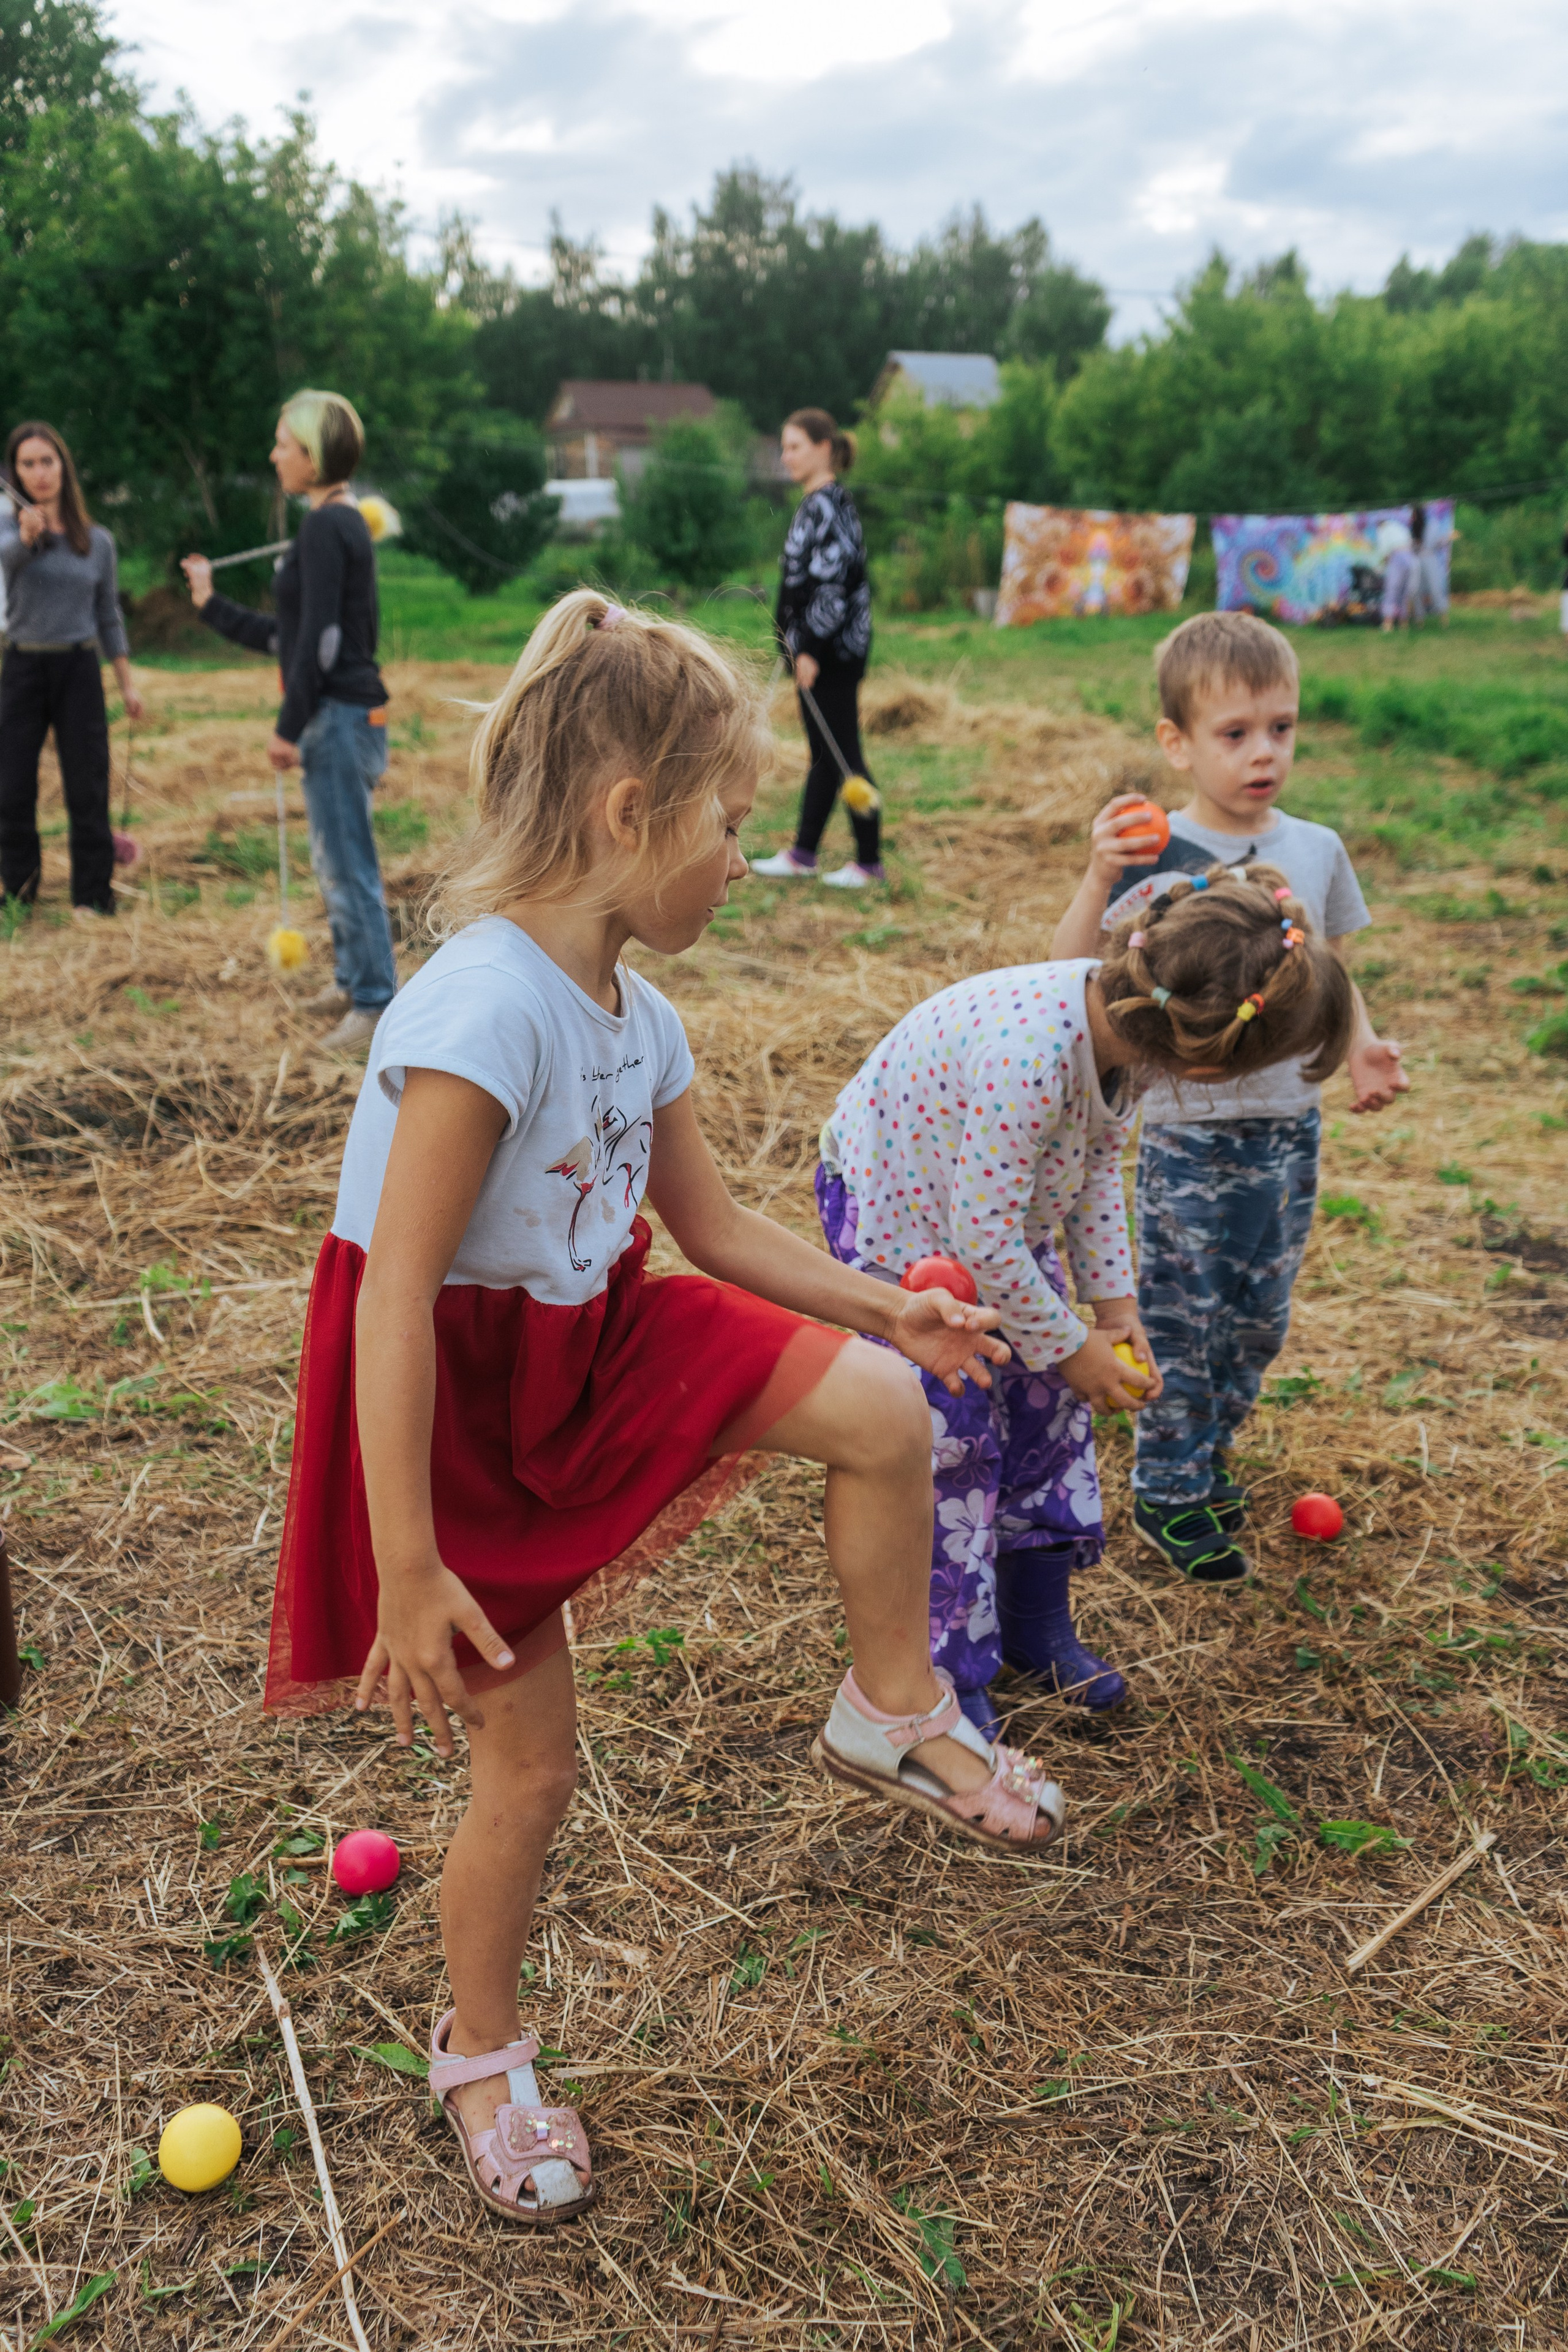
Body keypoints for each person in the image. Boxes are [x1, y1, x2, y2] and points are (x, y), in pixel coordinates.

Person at [266, 589, 1067, 2225]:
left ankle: (892, 1707)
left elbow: (711, 1231)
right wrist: (407, 1563)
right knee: (533, 1772)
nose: (733, 858)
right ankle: (481, 2054)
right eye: (720, 823)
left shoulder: (645, 1012)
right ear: (630, 818)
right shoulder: (482, 1015)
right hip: (460, 1412)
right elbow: (394, 1303)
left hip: (600, 1331)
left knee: (882, 1415)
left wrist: (886, 1311)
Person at [817, 881, 1353, 1736]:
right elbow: (979, 1233)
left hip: (999, 1221)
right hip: (908, 1232)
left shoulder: (1128, 1036)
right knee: (949, 1443)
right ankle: (949, 1670)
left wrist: (1110, 1309)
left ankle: (1035, 1626)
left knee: (1047, 1413)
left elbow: (1094, 1168)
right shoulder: (1034, 1052)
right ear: (1208, 1058)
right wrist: (1070, 1344)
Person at [1052, 611, 1408, 1585]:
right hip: (1187, 1136)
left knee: (1258, 1316)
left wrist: (1364, 1045)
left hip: (1290, 1131)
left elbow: (1327, 972)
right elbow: (1070, 968)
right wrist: (1100, 872)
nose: (1265, 754)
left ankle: (1210, 1453)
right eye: (1235, 733)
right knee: (1181, 1315)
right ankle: (1170, 1488)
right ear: (1178, 743)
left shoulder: (1317, 847)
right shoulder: (1159, 857)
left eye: (1281, 729)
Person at [182, 390, 396, 1052]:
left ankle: (374, 1004)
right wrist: (210, 605)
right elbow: (294, 635)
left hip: (339, 716)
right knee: (333, 858)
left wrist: (286, 725)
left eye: (283, 444)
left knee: (348, 863)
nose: (273, 455)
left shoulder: (328, 526)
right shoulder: (331, 523)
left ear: (313, 454)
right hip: (336, 715)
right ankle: (354, 979)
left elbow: (323, 645)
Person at [0, 421, 143, 919]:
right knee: (12, 785)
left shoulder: (97, 542)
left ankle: (92, 897)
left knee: (87, 783)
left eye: (47, 461)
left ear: (63, 466)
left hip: (78, 668)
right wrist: (24, 537)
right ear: (14, 473)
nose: (39, 473)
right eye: (28, 464)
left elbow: (109, 615)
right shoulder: (9, 533)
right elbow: (7, 565)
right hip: (23, 663)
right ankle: (18, 893)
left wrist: (127, 683)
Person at [753, 408, 881, 889]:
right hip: (814, 649)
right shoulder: (817, 503)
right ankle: (804, 852)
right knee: (827, 753)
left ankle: (869, 859)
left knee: (844, 751)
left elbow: (834, 585)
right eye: (784, 447)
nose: (786, 456)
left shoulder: (827, 505)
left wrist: (811, 649)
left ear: (824, 448)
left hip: (830, 653)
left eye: (795, 446)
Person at [1405, 501, 1450, 628]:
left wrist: (1445, 539)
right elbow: (1411, 546)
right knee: (1416, 589)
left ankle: (1444, 617)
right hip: (1416, 560)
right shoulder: (1413, 529)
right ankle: (1420, 619)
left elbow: (1437, 543)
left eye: (1413, 515)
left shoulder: (1432, 525)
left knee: (1435, 587)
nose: (1412, 518)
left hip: (1430, 559)